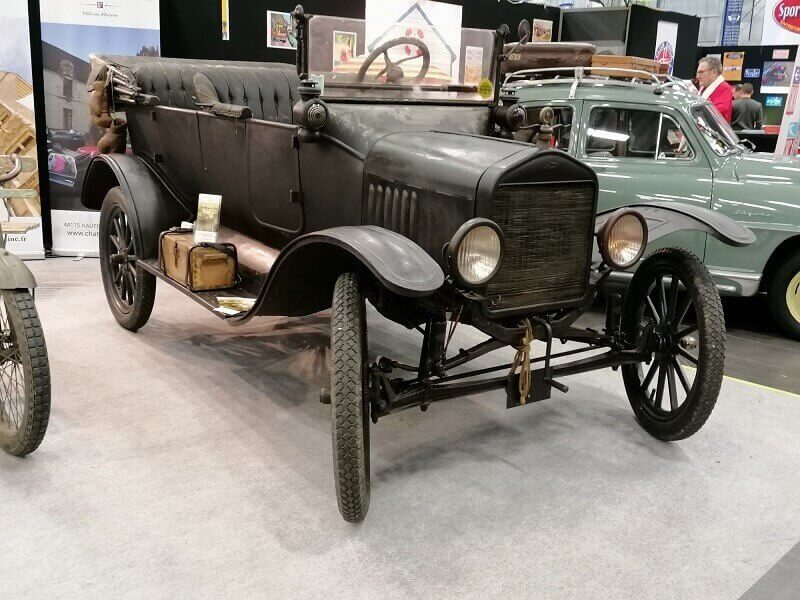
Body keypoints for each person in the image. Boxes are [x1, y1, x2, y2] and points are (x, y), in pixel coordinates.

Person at [696, 56, 733, 122]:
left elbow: (720, 114)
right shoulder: (702, 89)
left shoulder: (724, 89)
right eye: (697, 72)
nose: (697, 76)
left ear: (714, 72)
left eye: (701, 72)